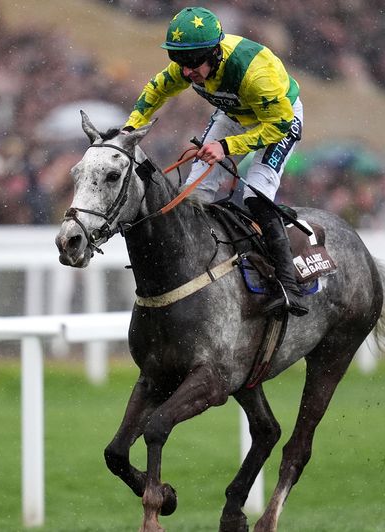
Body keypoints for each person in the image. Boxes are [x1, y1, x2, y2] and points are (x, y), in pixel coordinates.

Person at [122, 6, 308, 316]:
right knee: (193, 193)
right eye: (178, 61)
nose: (186, 72)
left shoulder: (255, 72)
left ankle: (290, 287)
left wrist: (226, 146)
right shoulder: (190, 64)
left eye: (193, 62)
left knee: (256, 197)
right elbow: (155, 91)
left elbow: (279, 125)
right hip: (234, 113)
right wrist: (130, 127)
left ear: (216, 53)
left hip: (278, 119)